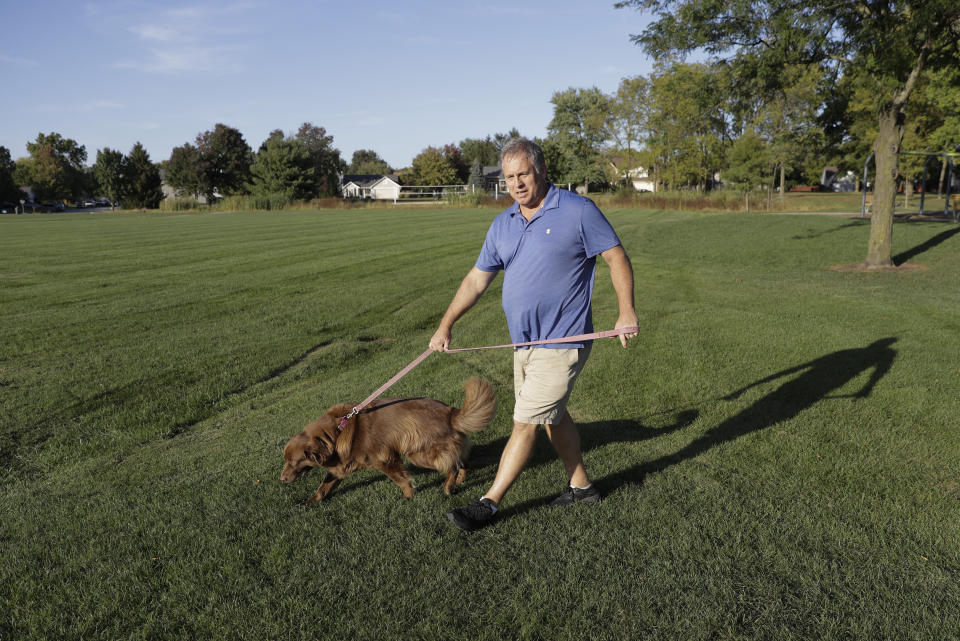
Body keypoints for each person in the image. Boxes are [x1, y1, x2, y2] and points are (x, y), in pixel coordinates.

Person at [429, 137, 638, 532]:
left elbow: (616, 257)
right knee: (551, 419)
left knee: (524, 421)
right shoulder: (503, 224)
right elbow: (477, 280)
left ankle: (488, 503)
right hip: (522, 343)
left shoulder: (577, 211)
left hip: (563, 342)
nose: (516, 184)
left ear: (541, 170)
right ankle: (582, 487)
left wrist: (626, 311)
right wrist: (445, 325)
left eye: (523, 173)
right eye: (509, 177)